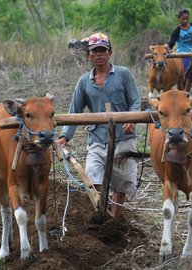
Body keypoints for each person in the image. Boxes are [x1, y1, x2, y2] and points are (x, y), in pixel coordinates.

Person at [57, 32, 141, 219]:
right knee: (93, 175)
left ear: (109, 53)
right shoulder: (84, 82)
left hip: (123, 137)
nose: (99, 55)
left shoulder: (124, 74)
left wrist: (131, 119)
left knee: (122, 181)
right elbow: (74, 111)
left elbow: (135, 101)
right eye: (95, 51)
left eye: (103, 50)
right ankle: (103, 210)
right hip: (97, 139)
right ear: (89, 55)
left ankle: (114, 218)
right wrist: (64, 136)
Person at [168, 8, 192, 93]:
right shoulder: (177, 31)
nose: (185, 20)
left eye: (187, 18)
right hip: (181, 56)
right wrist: (168, 52)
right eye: (183, 19)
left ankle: (186, 93)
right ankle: (181, 92)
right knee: (182, 75)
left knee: (191, 75)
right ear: (179, 19)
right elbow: (170, 45)